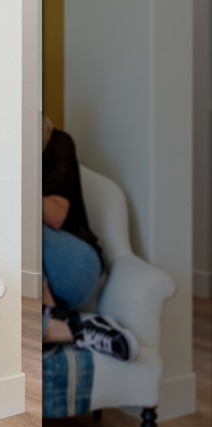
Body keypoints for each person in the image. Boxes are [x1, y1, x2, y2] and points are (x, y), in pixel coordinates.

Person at [41, 115, 138, 361]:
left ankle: (49, 315)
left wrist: (11, 182)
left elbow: (55, 215)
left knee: (20, 226)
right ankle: (65, 328)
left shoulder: (58, 142)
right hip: (48, 280)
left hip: (79, 265)